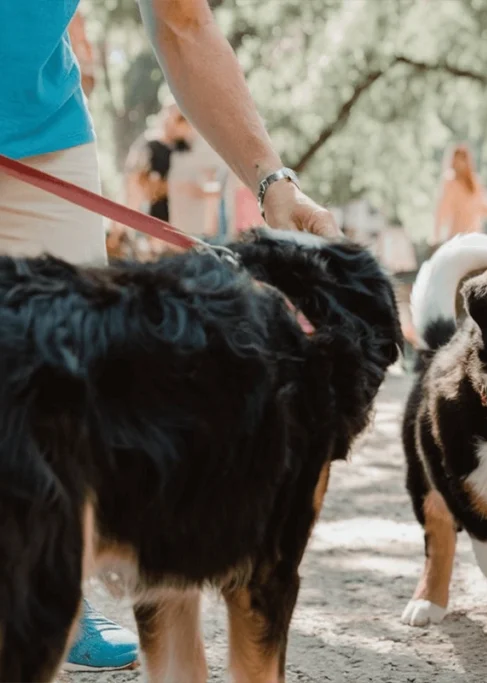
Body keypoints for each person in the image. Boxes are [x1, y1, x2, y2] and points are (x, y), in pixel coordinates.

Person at [0, 0, 339, 671]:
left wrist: (271, 181)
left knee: (66, 400)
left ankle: (54, 579)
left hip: (44, 136)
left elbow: (182, 21)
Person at [432, 143, 487, 246]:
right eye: (457, 159)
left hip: (475, 238)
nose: (459, 163)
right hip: (456, 239)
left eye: (462, 159)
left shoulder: (475, 182)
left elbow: (485, 208)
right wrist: (436, 238)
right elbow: (441, 211)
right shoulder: (450, 182)